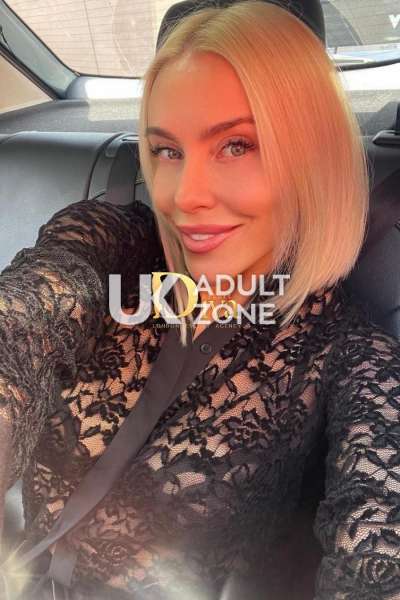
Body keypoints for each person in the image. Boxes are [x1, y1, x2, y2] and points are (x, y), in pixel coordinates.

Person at [0, 1, 400, 598]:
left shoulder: (351, 358)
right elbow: (27, 314)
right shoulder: (115, 247)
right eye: (167, 151)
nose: (184, 196)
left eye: (237, 145)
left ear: (314, 157)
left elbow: (376, 544)